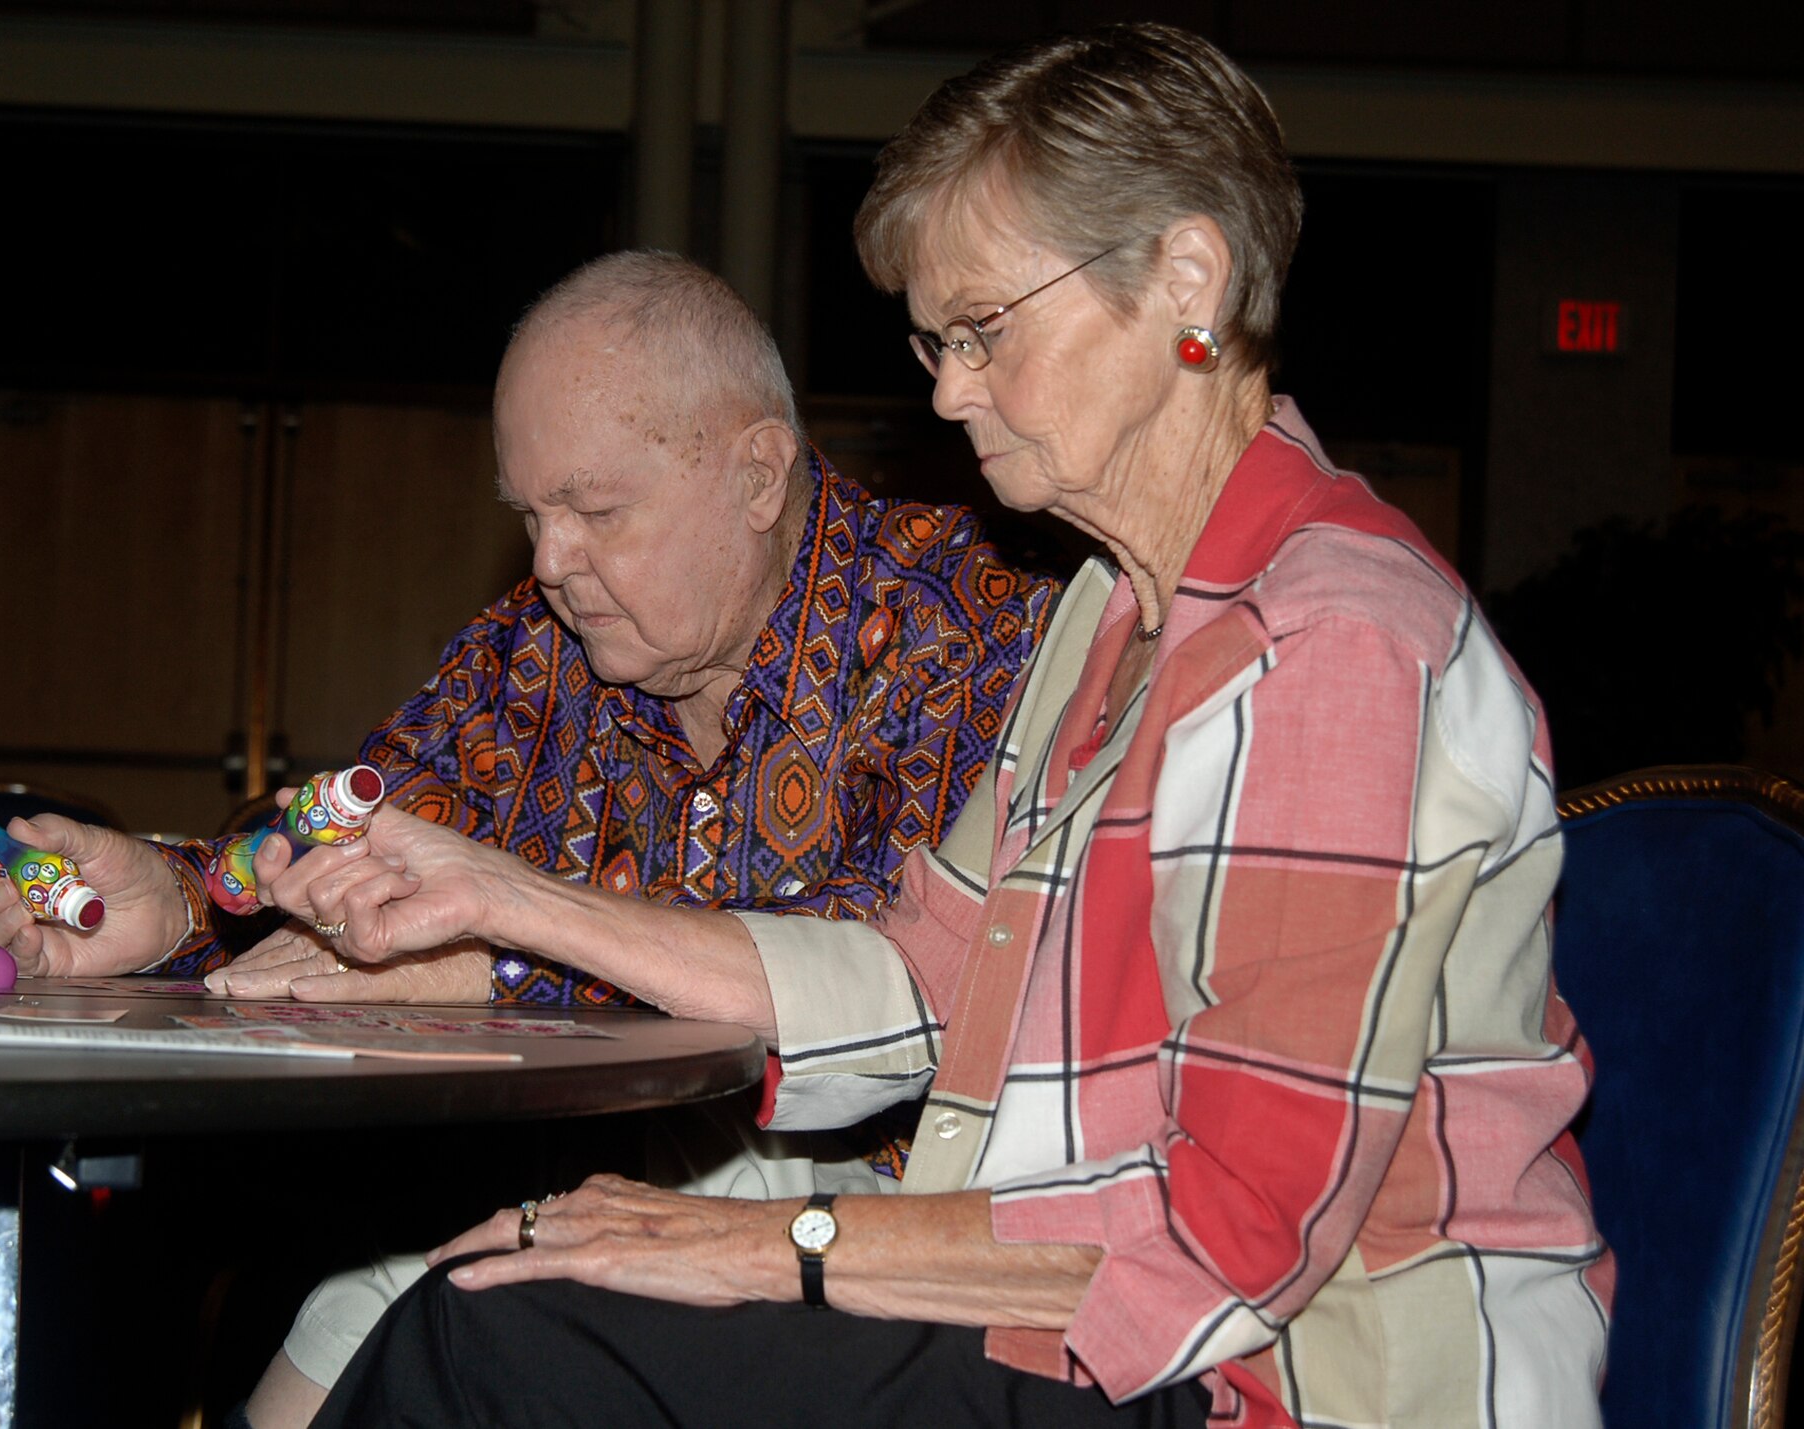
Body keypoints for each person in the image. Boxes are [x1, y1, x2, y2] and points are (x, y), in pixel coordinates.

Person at [271, 24, 1612, 1429]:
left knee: (505, 1347)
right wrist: (509, 899)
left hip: (1302, 1385)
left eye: (985, 331)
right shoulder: (1113, 619)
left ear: (1187, 282)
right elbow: (919, 983)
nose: (949, 389)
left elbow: (1228, 1230)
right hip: (1131, 1340)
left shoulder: (1332, 644)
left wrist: (774, 1249)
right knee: (490, 1303)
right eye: (936, 340)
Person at [0, 251, 1057, 1427]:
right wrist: (178, 907)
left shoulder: (967, 619)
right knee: (374, 1273)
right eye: (528, 514)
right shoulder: (538, 650)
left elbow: (882, 994)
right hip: (623, 1168)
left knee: (451, 1271)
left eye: (595, 509)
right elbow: (360, 836)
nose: (549, 563)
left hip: (900, 1227)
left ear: (758, 474)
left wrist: (500, 956)